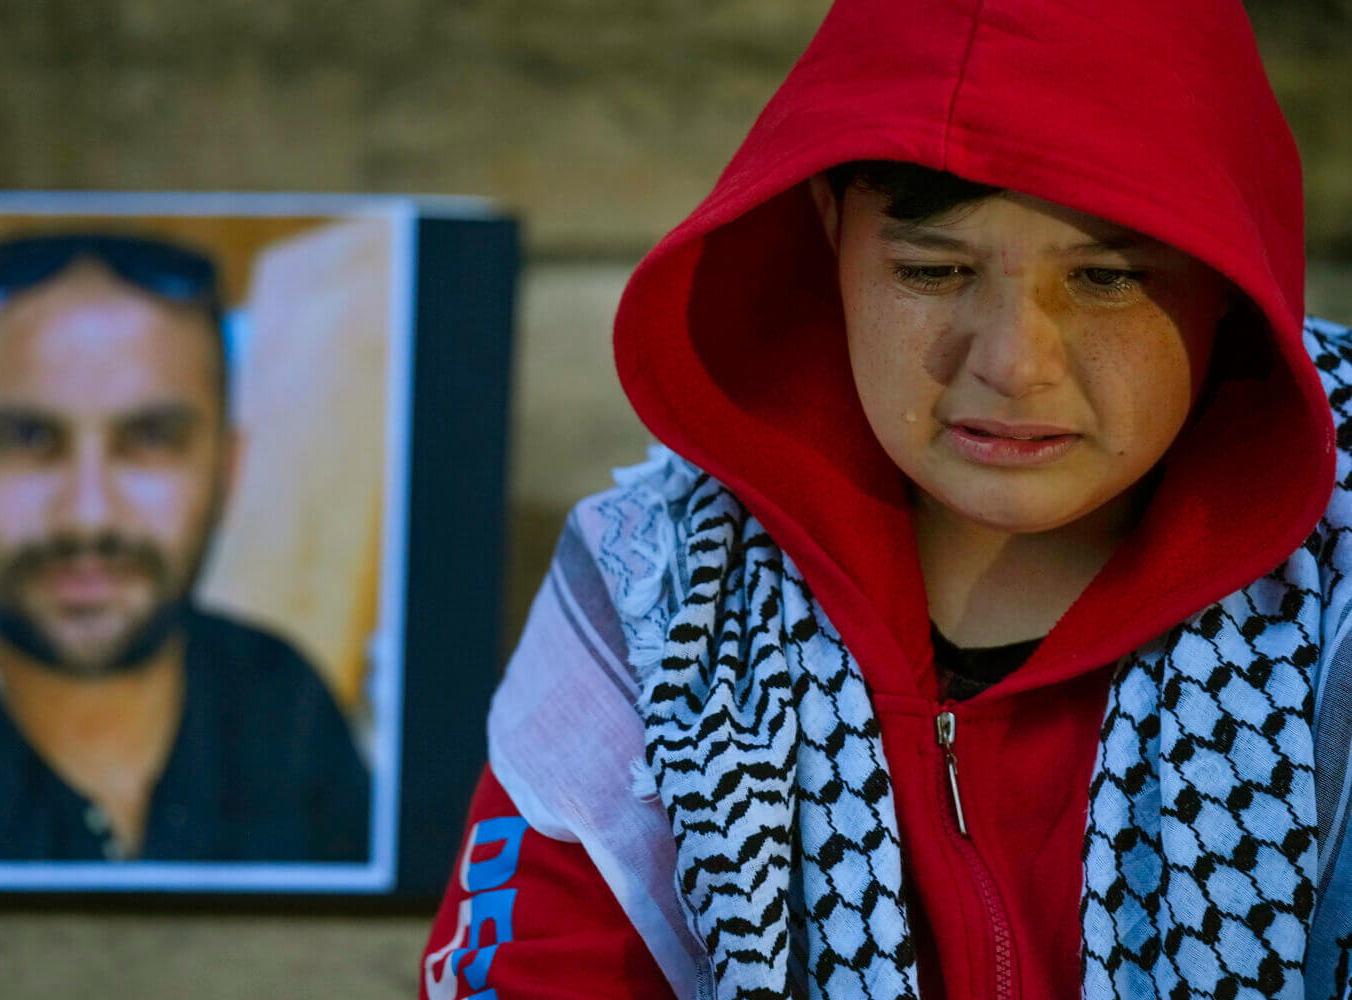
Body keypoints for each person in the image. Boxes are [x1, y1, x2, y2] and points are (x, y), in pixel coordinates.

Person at [421, 0, 1352, 997]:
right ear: (829, 223)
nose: (1011, 362)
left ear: (1229, 273)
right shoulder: (661, 588)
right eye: (932, 270)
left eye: (1110, 279)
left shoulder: (1334, 581)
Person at [0, 233, 371, 863]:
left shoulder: (282, 703)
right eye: (26, 438)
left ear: (228, 468)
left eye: (151, 439)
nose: (87, 515)